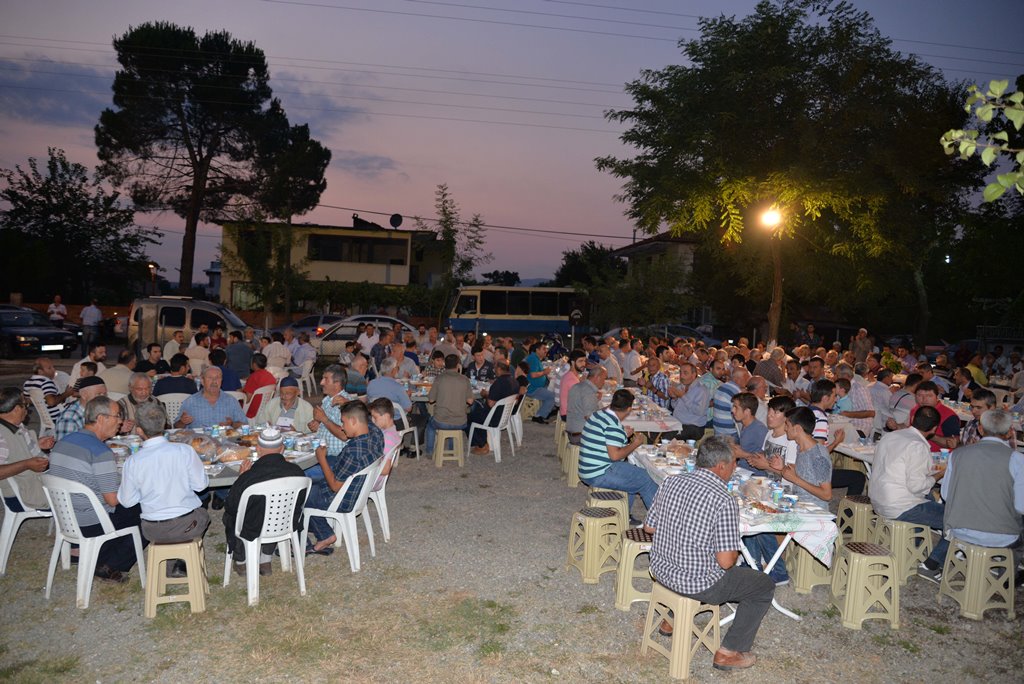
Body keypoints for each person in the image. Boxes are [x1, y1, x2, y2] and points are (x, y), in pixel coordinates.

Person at [645, 435, 775, 671]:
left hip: (661, 570)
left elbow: (650, 527)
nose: (735, 467)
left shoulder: (671, 482)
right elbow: (725, 562)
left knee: (697, 558)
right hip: (696, 583)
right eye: (734, 462)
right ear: (722, 466)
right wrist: (733, 550)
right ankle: (729, 652)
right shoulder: (723, 499)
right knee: (763, 584)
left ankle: (671, 620)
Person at [48, 396, 145, 583]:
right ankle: (110, 564)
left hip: (66, 517)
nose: (121, 421)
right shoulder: (100, 452)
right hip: (91, 522)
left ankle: (100, 553)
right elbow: (113, 500)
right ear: (101, 418)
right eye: (117, 416)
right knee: (149, 512)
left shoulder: (63, 443)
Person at [116, 401, 209, 577]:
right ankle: (181, 560)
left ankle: (173, 563)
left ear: (139, 430)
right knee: (202, 513)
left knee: (172, 522)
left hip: (153, 530)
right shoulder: (184, 451)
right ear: (165, 425)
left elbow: (127, 501)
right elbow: (201, 486)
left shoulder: (133, 461)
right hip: (186, 525)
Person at [941, 409, 1024, 586]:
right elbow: (1021, 506)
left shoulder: (957, 454)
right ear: (1010, 431)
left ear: (979, 429)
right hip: (1002, 535)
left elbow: (945, 494)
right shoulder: (1017, 459)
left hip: (959, 529)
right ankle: (1006, 577)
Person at [869, 406, 949, 583]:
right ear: (934, 429)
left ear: (912, 419)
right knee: (956, 519)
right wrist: (939, 475)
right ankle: (932, 564)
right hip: (899, 506)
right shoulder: (918, 445)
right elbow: (917, 487)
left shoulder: (891, 436)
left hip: (877, 498)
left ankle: (915, 548)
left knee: (927, 501)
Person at [223, 427, 307, 576]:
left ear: (258, 448)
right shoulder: (297, 472)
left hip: (252, 527)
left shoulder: (249, 476)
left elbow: (231, 506)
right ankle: (265, 559)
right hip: (285, 523)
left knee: (234, 515)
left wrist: (239, 479)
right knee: (274, 512)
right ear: (282, 449)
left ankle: (241, 561)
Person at [305, 401, 384, 554]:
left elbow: (334, 486)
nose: (341, 427)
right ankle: (316, 529)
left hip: (341, 499)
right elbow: (361, 414)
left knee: (301, 492)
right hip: (359, 492)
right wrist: (349, 404)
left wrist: (321, 458)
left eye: (343, 421)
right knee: (309, 479)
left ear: (354, 421)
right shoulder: (375, 433)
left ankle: (324, 535)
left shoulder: (353, 451)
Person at [578, 389, 658, 524]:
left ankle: (624, 515)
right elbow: (615, 456)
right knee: (646, 478)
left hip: (587, 468)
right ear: (628, 409)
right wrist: (636, 443)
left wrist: (622, 435)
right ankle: (660, 523)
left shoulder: (598, 414)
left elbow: (606, 440)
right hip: (599, 472)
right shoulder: (613, 425)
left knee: (633, 474)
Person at [769, 407, 832, 510]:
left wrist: (795, 479)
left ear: (797, 428)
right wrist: (783, 467)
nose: (785, 429)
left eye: (787, 425)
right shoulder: (800, 447)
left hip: (814, 510)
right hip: (798, 503)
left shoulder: (818, 456)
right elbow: (806, 474)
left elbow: (827, 494)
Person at [0, 387, 53, 511]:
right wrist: (26, 464)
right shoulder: (2, 434)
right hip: (22, 496)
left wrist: (37, 444)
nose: (28, 409)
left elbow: (15, 450)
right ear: (17, 409)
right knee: (80, 497)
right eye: (25, 404)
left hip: (35, 485)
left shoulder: (16, 425)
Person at [467, 361, 521, 453]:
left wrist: (485, 395)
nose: (494, 371)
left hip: (494, 418)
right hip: (505, 416)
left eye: (495, 369)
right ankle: (483, 441)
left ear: (499, 369)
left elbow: (491, 403)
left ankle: (481, 444)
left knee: (469, 415)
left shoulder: (498, 383)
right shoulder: (514, 381)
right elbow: (511, 398)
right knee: (477, 409)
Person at [425, 354, 474, 453]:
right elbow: (470, 401)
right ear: (458, 365)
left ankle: (430, 451)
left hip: (441, 420)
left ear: (445, 364)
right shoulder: (464, 379)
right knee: (453, 420)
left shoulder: (439, 378)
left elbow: (431, 400)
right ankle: (451, 449)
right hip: (461, 421)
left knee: (430, 424)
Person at [177, 366, 246, 429]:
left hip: (224, 440)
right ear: (202, 381)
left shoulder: (231, 401)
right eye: (210, 378)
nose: (214, 381)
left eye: (217, 378)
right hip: (198, 440)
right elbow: (176, 426)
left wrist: (232, 424)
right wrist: (182, 422)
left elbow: (244, 425)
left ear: (221, 381)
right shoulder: (190, 401)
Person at [23, 356, 73, 425]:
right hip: (59, 415)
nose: (54, 370)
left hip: (46, 417)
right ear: (40, 371)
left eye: (53, 367)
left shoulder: (27, 383)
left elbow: (27, 400)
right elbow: (51, 402)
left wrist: (40, 399)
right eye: (49, 368)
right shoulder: (46, 382)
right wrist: (66, 394)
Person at [54, 376, 107, 440]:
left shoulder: (102, 411)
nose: (103, 399)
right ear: (84, 395)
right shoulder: (69, 418)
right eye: (98, 394)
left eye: (104, 394)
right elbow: (65, 448)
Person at [729, 393, 769, 476]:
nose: (732, 410)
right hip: (743, 471)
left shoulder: (759, 429)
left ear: (747, 411)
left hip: (755, 476)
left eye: (736, 407)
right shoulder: (745, 425)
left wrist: (743, 454)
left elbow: (767, 459)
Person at [565, 366, 605, 447]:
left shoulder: (578, 386)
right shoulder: (589, 391)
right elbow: (590, 419)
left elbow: (582, 406)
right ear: (597, 377)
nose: (604, 382)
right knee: (614, 440)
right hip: (580, 436)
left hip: (572, 431)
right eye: (604, 378)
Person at [712, 366, 749, 439]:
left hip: (717, 429)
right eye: (745, 377)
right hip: (730, 433)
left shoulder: (722, 387)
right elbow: (739, 416)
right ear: (737, 378)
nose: (747, 380)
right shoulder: (736, 392)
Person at [524, 343, 556, 423]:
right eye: (544, 349)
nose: (546, 351)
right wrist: (544, 372)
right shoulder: (533, 359)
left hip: (538, 386)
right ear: (537, 350)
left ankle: (547, 411)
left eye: (546, 349)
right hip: (532, 388)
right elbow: (533, 375)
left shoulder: (535, 358)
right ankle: (539, 415)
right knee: (553, 396)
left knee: (554, 390)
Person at [242, 353, 277, 419]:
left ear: (254, 364)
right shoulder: (270, 376)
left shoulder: (254, 377)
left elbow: (247, 399)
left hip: (252, 411)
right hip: (265, 408)